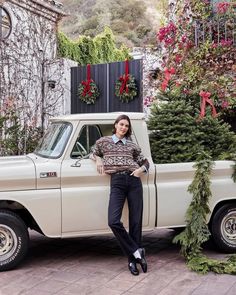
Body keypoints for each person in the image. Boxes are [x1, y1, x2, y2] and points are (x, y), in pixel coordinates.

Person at [91, 114, 149, 276]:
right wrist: (98, 160)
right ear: (115, 125)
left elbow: (145, 162)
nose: (124, 128)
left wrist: (140, 170)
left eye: (126, 126)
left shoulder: (132, 145)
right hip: (116, 181)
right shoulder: (104, 142)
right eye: (121, 124)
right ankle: (137, 253)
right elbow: (92, 152)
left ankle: (131, 261)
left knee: (136, 221)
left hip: (133, 181)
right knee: (113, 221)